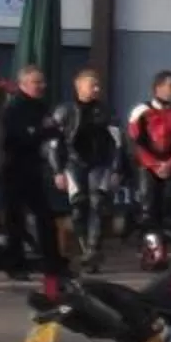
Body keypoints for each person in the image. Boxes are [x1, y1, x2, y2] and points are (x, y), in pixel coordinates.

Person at [0, 66, 66, 295]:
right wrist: (40, 131)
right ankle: (14, 263)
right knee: (15, 218)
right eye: (37, 82)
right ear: (24, 84)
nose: (41, 86)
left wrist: (43, 132)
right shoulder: (14, 107)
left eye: (42, 82)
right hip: (13, 168)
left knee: (45, 216)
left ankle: (52, 261)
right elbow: (20, 136)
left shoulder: (41, 106)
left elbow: (53, 131)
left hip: (34, 169)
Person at [63, 67, 121, 266]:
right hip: (74, 163)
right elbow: (55, 142)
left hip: (99, 164)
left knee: (97, 204)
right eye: (92, 85)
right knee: (79, 206)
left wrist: (115, 167)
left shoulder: (106, 111)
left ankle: (93, 250)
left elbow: (117, 141)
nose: (96, 89)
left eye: (97, 86)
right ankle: (83, 247)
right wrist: (58, 169)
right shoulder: (66, 110)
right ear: (79, 87)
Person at [127, 70, 171, 237]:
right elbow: (134, 143)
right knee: (147, 206)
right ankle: (148, 245)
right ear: (158, 88)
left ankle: (168, 243)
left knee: (169, 205)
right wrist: (155, 165)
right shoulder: (141, 111)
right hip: (147, 167)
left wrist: (170, 164)